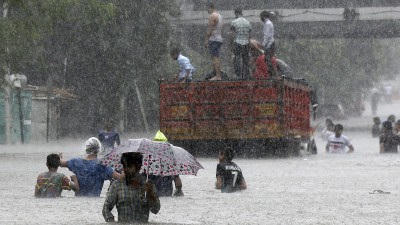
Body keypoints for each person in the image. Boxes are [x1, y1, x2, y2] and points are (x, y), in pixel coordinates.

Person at [103, 152, 160, 223]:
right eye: (124, 166)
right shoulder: (117, 185)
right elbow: (106, 209)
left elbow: (155, 210)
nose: (125, 169)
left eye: (129, 166)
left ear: (138, 167)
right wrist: (111, 221)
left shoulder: (148, 185)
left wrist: (151, 194)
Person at [60, 137, 124, 197]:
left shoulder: (76, 162)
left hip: (78, 201)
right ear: (99, 150)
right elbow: (120, 177)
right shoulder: (102, 165)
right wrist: (129, 167)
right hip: (94, 200)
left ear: (86, 148)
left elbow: (59, 163)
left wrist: (59, 157)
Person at [150, 130, 184, 197]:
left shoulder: (148, 161)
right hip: (167, 194)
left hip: (153, 196)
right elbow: (178, 184)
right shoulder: (171, 162)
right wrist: (179, 190)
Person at [230, 8, 251, 80]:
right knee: (246, 60)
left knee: (237, 59)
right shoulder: (248, 22)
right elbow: (249, 35)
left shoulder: (234, 22)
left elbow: (232, 35)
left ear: (236, 13)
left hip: (237, 42)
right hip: (246, 43)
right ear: (241, 13)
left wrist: (231, 44)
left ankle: (238, 75)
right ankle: (246, 75)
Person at [204, 2, 223, 81]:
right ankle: (216, 74)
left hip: (214, 39)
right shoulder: (219, 16)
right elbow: (222, 28)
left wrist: (206, 40)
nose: (207, 10)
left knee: (215, 58)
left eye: (207, 9)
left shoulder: (212, 16)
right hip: (219, 38)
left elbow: (210, 29)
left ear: (210, 7)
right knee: (215, 57)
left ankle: (218, 76)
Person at [260, 10, 277, 78]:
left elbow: (267, 36)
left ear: (264, 17)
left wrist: (263, 45)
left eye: (261, 17)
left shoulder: (267, 24)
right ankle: (272, 74)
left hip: (269, 44)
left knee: (267, 60)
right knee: (268, 59)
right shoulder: (269, 23)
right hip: (271, 44)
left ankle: (271, 75)